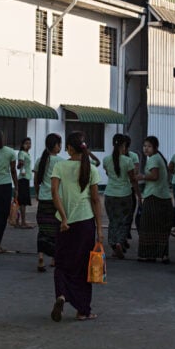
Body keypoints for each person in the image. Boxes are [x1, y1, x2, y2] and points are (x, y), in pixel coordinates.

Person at [49, 130, 104, 322]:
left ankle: (61, 295)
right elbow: (96, 200)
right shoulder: (92, 169)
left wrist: (63, 217)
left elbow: (54, 192)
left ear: (69, 148)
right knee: (82, 267)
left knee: (62, 263)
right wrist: (99, 228)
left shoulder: (60, 166)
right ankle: (83, 310)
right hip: (85, 222)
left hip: (65, 223)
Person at [137, 135, 175, 263]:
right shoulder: (159, 158)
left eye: (149, 146)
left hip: (153, 197)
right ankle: (164, 255)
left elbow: (154, 176)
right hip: (164, 197)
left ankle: (149, 255)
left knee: (147, 226)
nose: (146, 149)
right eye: (144, 146)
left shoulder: (153, 159)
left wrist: (141, 176)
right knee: (161, 228)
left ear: (155, 148)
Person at [102, 133, 137, 259]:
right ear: (123, 145)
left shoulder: (106, 160)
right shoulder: (128, 161)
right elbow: (132, 179)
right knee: (124, 221)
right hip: (125, 194)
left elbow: (108, 173)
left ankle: (113, 244)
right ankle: (119, 243)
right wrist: (138, 194)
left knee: (113, 221)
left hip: (110, 194)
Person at [33, 133, 62, 272]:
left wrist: (38, 193)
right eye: (59, 144)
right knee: (56, 229)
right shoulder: (60, 161)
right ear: (55, 145)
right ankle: (54, 258)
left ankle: (40, 258)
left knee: (43, 230)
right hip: (55, 199)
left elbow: (36, 179)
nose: (60, 147)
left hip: (43, 199)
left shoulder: (40, 160)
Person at [15, 137, 33, 228]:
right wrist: (20, 164)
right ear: (22, 145)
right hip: (23, 179)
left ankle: (18, 221)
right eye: (26, 143)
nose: (28, 145)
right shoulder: (22, 153)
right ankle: (23, 222)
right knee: (22, 202)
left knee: (22, 201)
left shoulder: (27, 154)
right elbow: (19, 165)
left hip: (26, 178)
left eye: (29, 143)